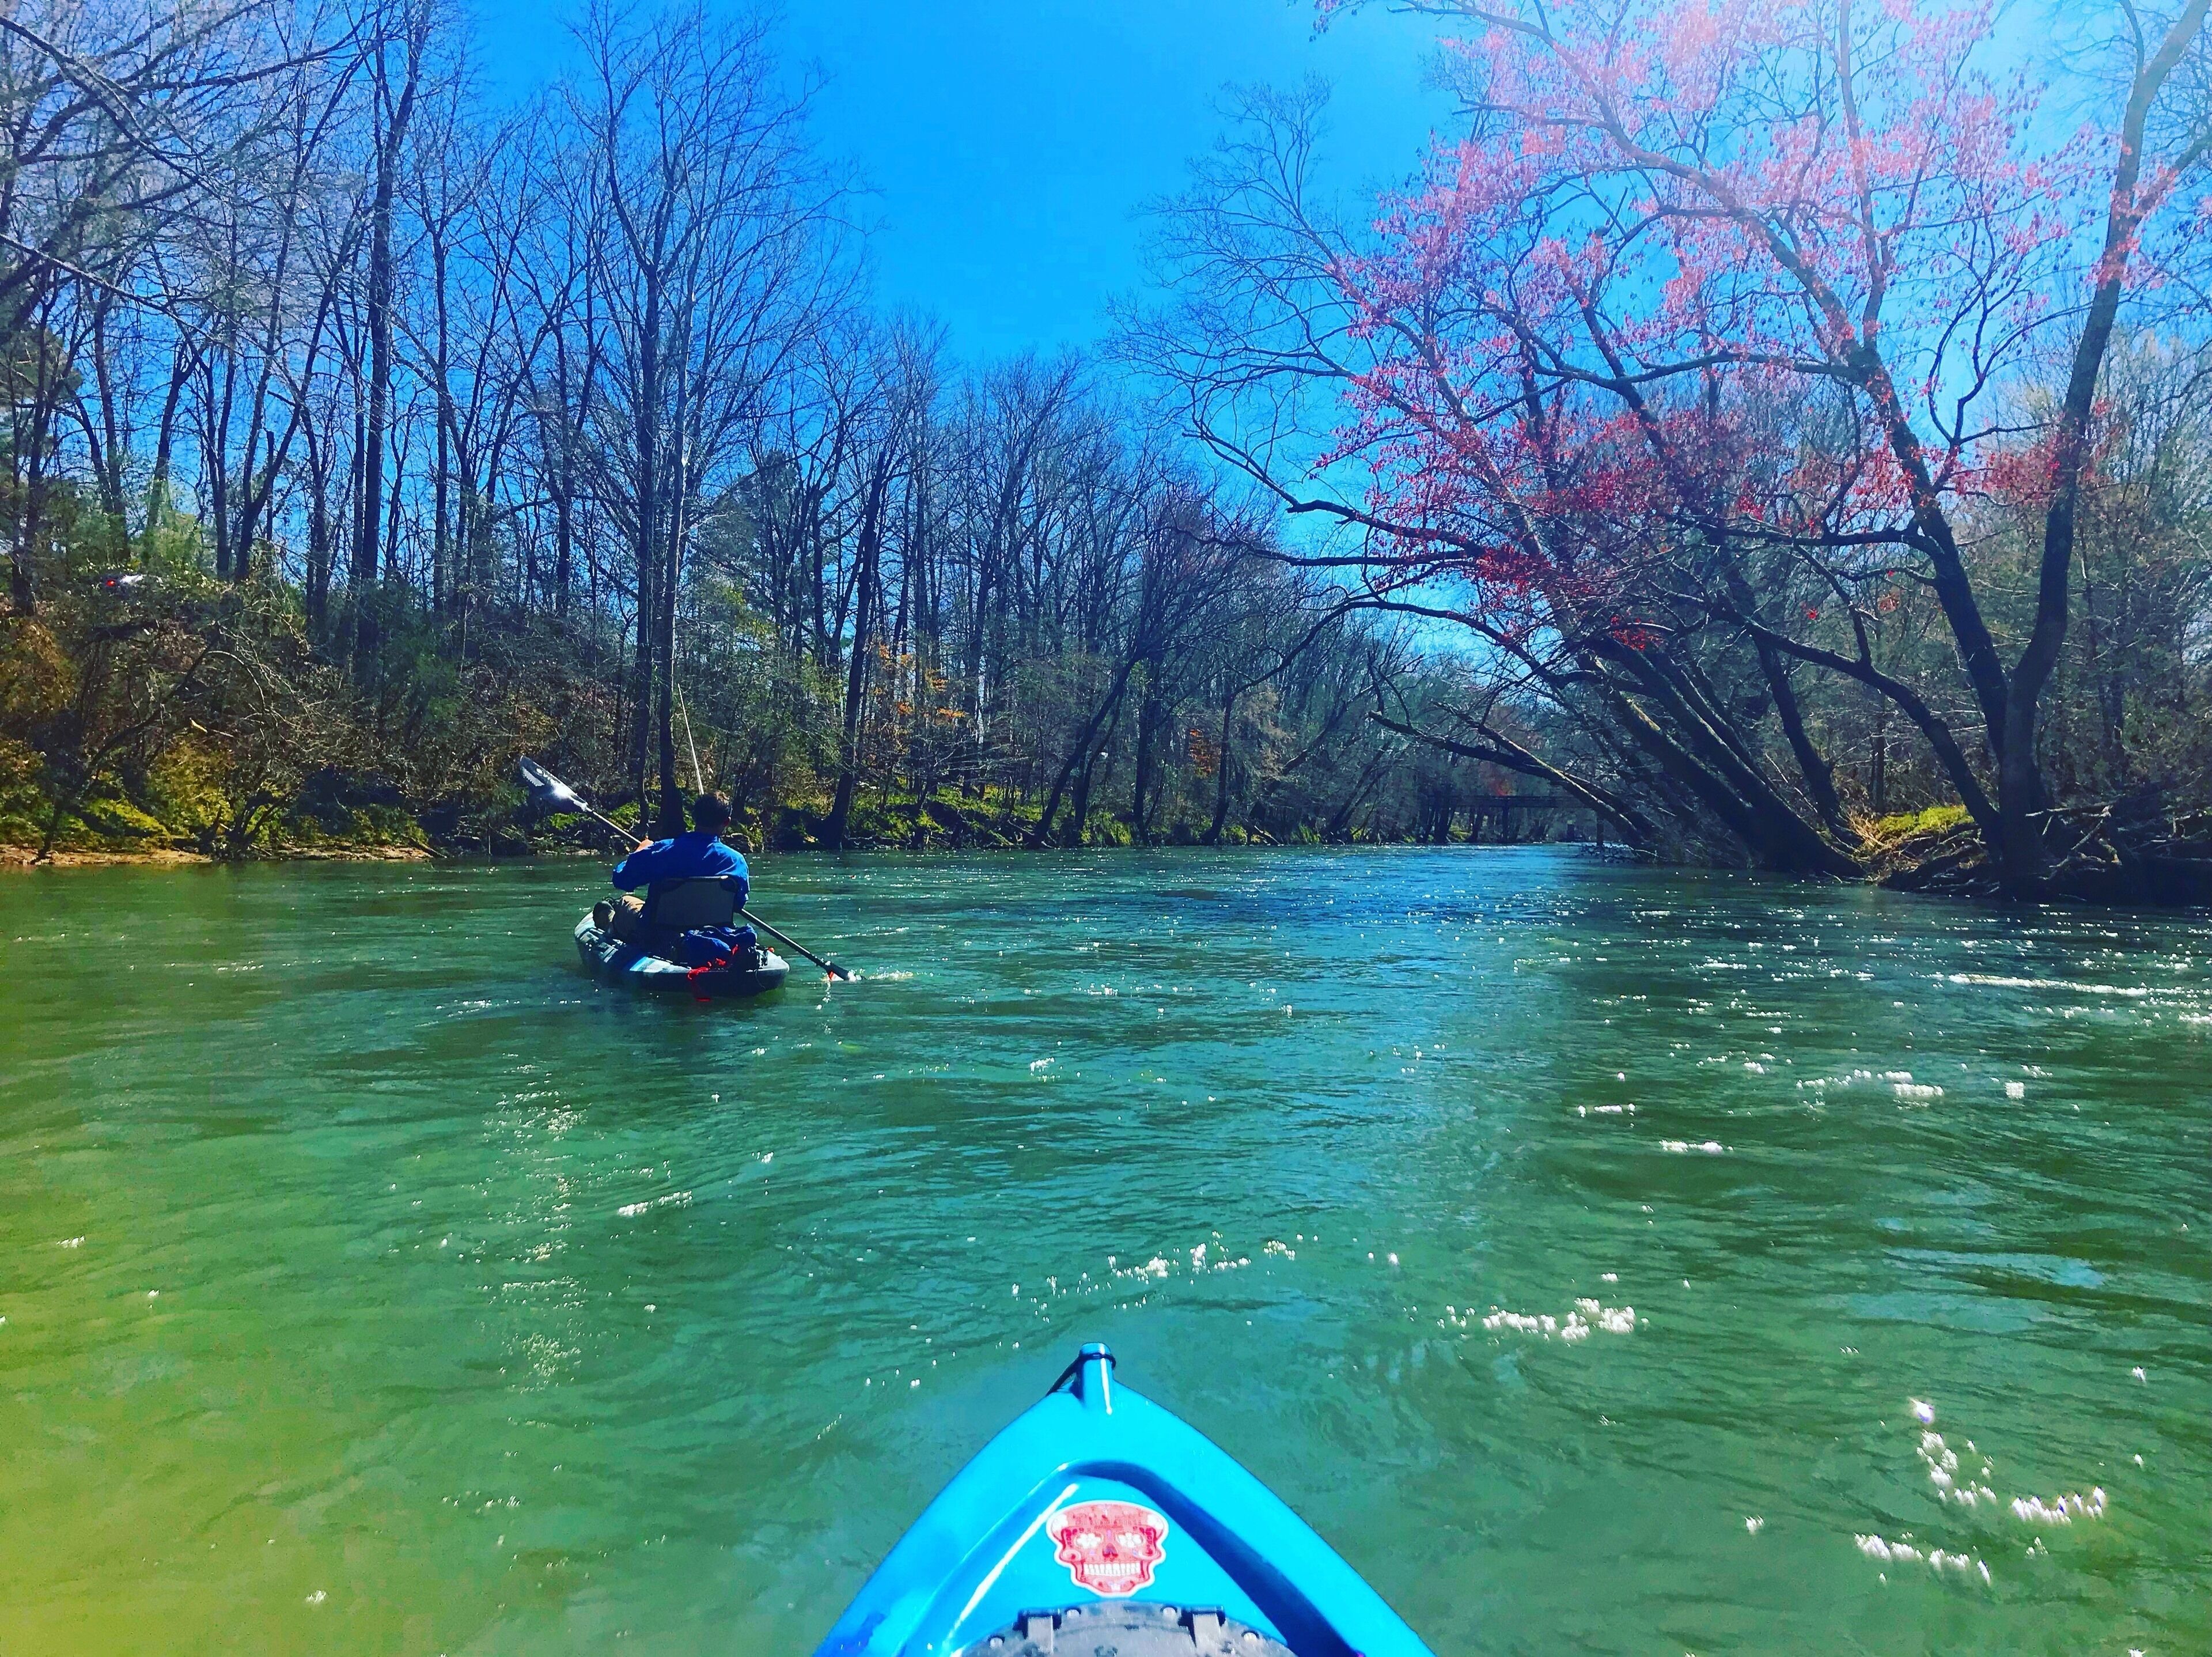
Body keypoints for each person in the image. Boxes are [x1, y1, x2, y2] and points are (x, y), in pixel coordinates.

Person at [599, 793, 749, 952]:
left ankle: (609, 920)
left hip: (658, 935)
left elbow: (622, 880)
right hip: (713, 933)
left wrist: (640, 851)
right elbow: (738, 903)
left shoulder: (664, 851)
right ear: (726, 822)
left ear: (694, 817)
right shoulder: (736, 862)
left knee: (626, 901)